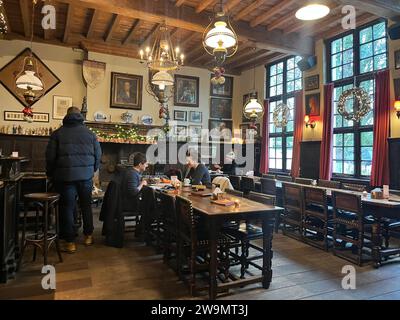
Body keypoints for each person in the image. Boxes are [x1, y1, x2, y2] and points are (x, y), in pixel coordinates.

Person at [46, 106, 101, 253]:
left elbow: (50, 157)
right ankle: (88, 236)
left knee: (67, 208)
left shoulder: (57, 134)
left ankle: (70, 242)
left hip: (65, 178)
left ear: (66, 116)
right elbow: (98, 155)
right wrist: (92, 170)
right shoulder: (90, 134)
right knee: (86, 206)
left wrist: (50, 173)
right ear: (80, 116)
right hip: (86, 177)